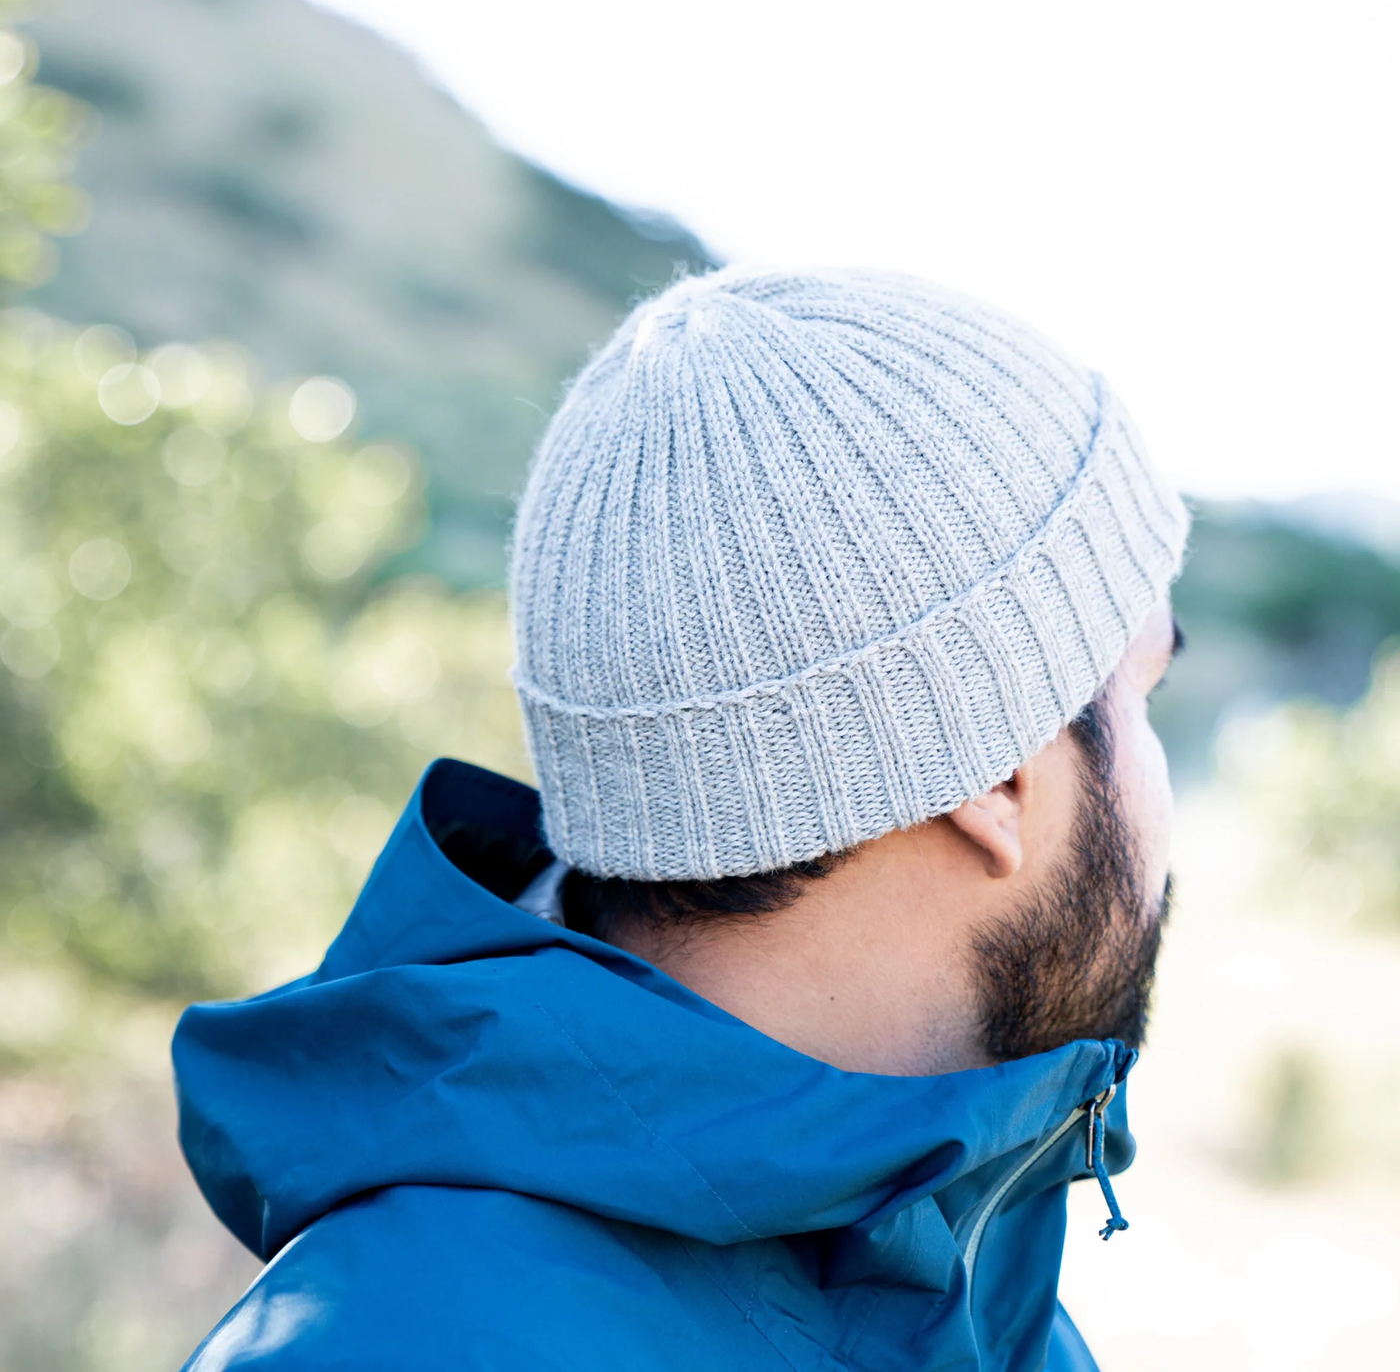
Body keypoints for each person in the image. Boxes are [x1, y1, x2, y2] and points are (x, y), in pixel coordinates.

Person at [175, 267, 1188, 1371]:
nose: (1157, 777)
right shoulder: (396, 1347)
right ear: (994, 771)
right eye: (1143, 694)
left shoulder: (955, 1266)